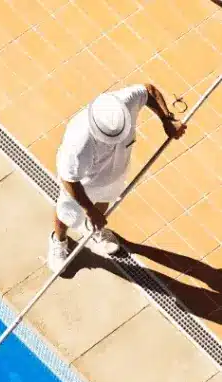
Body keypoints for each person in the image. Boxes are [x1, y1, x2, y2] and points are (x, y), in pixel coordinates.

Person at [47, 83, 187, 272]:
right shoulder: (78, 144)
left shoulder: (124, 103)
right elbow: (69, 180)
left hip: (115, 172)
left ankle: (93, 229)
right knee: (67, 212)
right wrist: (90, 210)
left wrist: (167, 119)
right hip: (83, 182)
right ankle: (59, 240)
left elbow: (149, 91)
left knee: (106, 199)